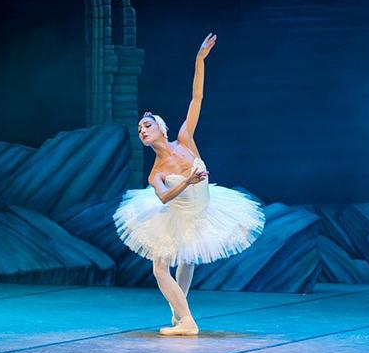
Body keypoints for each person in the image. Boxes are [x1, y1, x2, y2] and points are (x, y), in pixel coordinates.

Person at [112, 33, 266, 336]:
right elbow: (165, 198)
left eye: (147, 125)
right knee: (161, 267)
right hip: (177, 213)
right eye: (140, 129)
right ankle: (183, 318)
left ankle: (183, 318)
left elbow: (197, 98)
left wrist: (199, 59)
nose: (142, 130)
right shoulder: (155, 171)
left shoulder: (184, 140)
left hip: (204, 208)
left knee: (187, 258)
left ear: (160, 127)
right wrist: (188, 183)